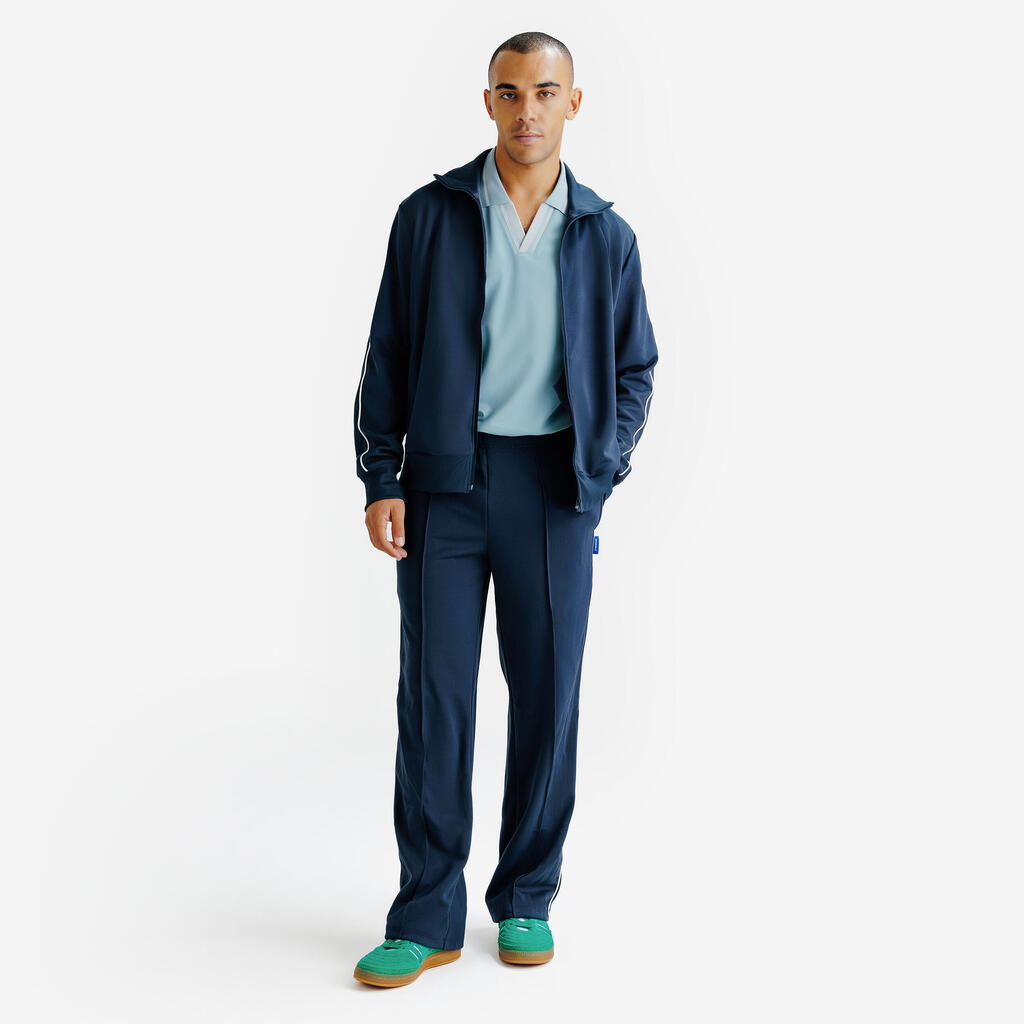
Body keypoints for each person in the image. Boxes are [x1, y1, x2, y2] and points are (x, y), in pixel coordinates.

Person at [352, 31, 658, 988]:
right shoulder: (431, 217)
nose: (529, 109)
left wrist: (602, 464)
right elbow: (387, 354)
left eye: (546, 92)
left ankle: (526, 895)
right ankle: (426, 914)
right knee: (435, 698)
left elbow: (635, 368)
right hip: (445, 485)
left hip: (554, 492)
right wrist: (382, 476)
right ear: (488, 101)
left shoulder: (604, 235)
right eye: (511, 91)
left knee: (548, 696)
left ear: (574, 103)